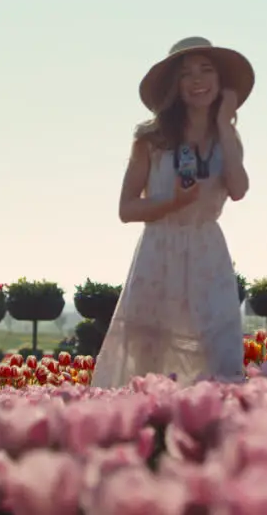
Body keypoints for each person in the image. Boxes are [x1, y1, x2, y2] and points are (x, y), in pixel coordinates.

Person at [92, 36, 253, 388]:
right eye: (187, 74)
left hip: (209, 253)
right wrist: (173, 204)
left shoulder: (228, 137)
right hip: (158, 253)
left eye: (206, 70)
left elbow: (239, 190)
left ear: (220, 81)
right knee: (148, 360)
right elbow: (126, 208)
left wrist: (225, 124)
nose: (198, 81)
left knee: (220, 355)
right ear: (174, 86)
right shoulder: (151, 140)